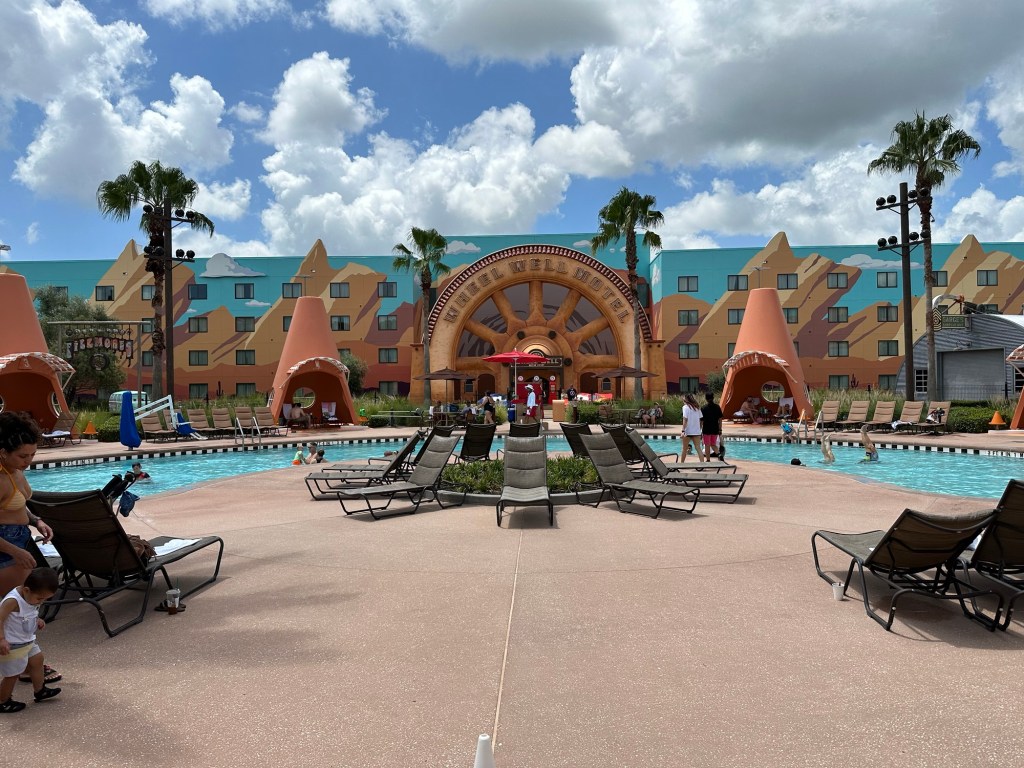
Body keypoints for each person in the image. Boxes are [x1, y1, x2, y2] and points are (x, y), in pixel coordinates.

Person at [0, 566, 61, 712]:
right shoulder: (13, 601)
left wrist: (37, 619)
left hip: (27, 640)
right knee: (12, 674)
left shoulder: (31, 598)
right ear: (26, 590)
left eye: (45, 599)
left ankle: (40, 690)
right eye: (40, 598)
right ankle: (3, 700)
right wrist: (1, 639)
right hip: (12, 643)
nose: (41, 602)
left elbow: (29, 612)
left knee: (37, 660)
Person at [700, 391, 725, 461]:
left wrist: (700, 430)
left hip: (706, 429)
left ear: (706, 398)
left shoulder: (704, 408)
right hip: (715, 429)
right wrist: (720, 429)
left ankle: (708, 460)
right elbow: (720, 419)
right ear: (713, 398)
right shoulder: (717, 407)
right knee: (713, 444)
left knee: (707, 445)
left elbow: (701, 421)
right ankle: (719, 454)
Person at [680, 394, 704, 463]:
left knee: (684, 449)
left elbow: (685, 419)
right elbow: (701, 419)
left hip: (687, 431)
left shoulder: (685, 407)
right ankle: (703, 464)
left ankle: (682, 464)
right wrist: (699, 428)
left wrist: (683, 431)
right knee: (698, 448)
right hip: (696, 431)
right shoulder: (697, 407)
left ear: (686, 400)